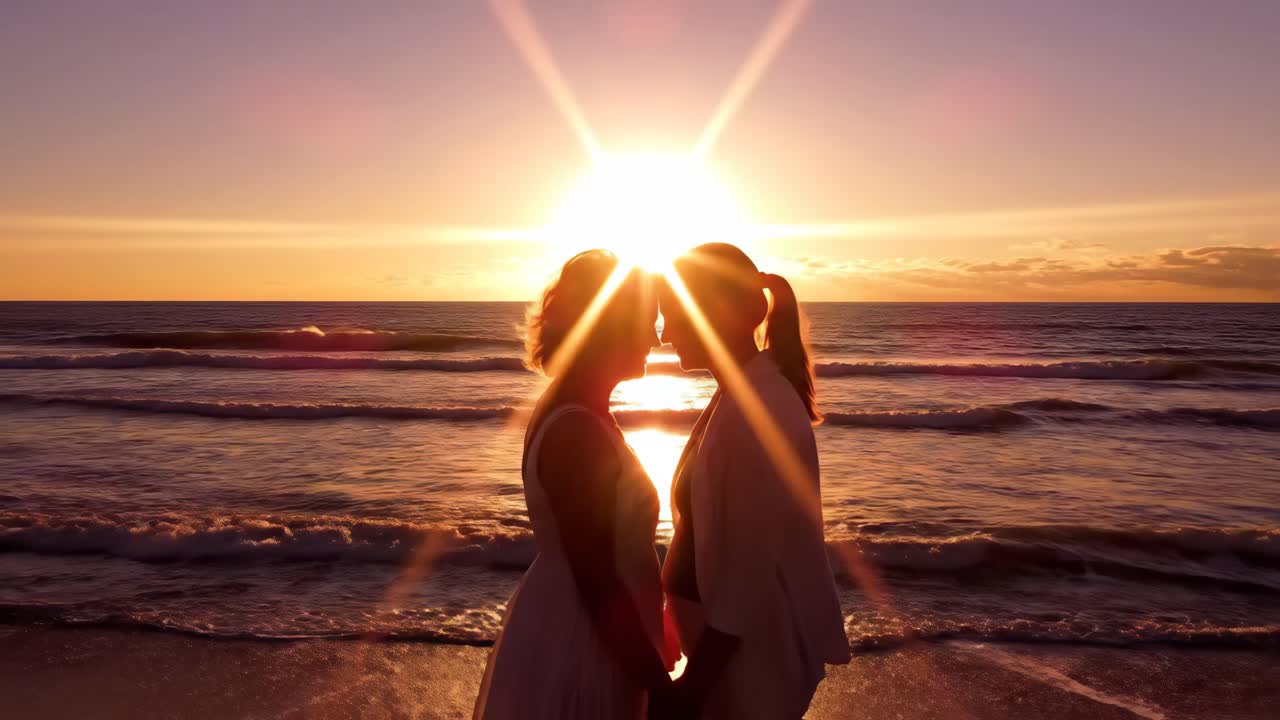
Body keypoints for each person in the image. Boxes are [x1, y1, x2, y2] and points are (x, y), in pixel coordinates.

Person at [474, 250, 679, 719]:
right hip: (585, 641)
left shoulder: (580, 411)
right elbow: (597, 580)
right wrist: (658, 685)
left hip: (586, 627)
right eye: (648, 323)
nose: (656, 338)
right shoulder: (576, 430)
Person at [657, 243, 851, 720]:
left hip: (746, 667)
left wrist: (692, 689)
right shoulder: (739, 394)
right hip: (720, 653)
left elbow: (749, 574)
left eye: (675, 316)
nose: (665, 334)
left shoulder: (761, 410)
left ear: (720, 313)